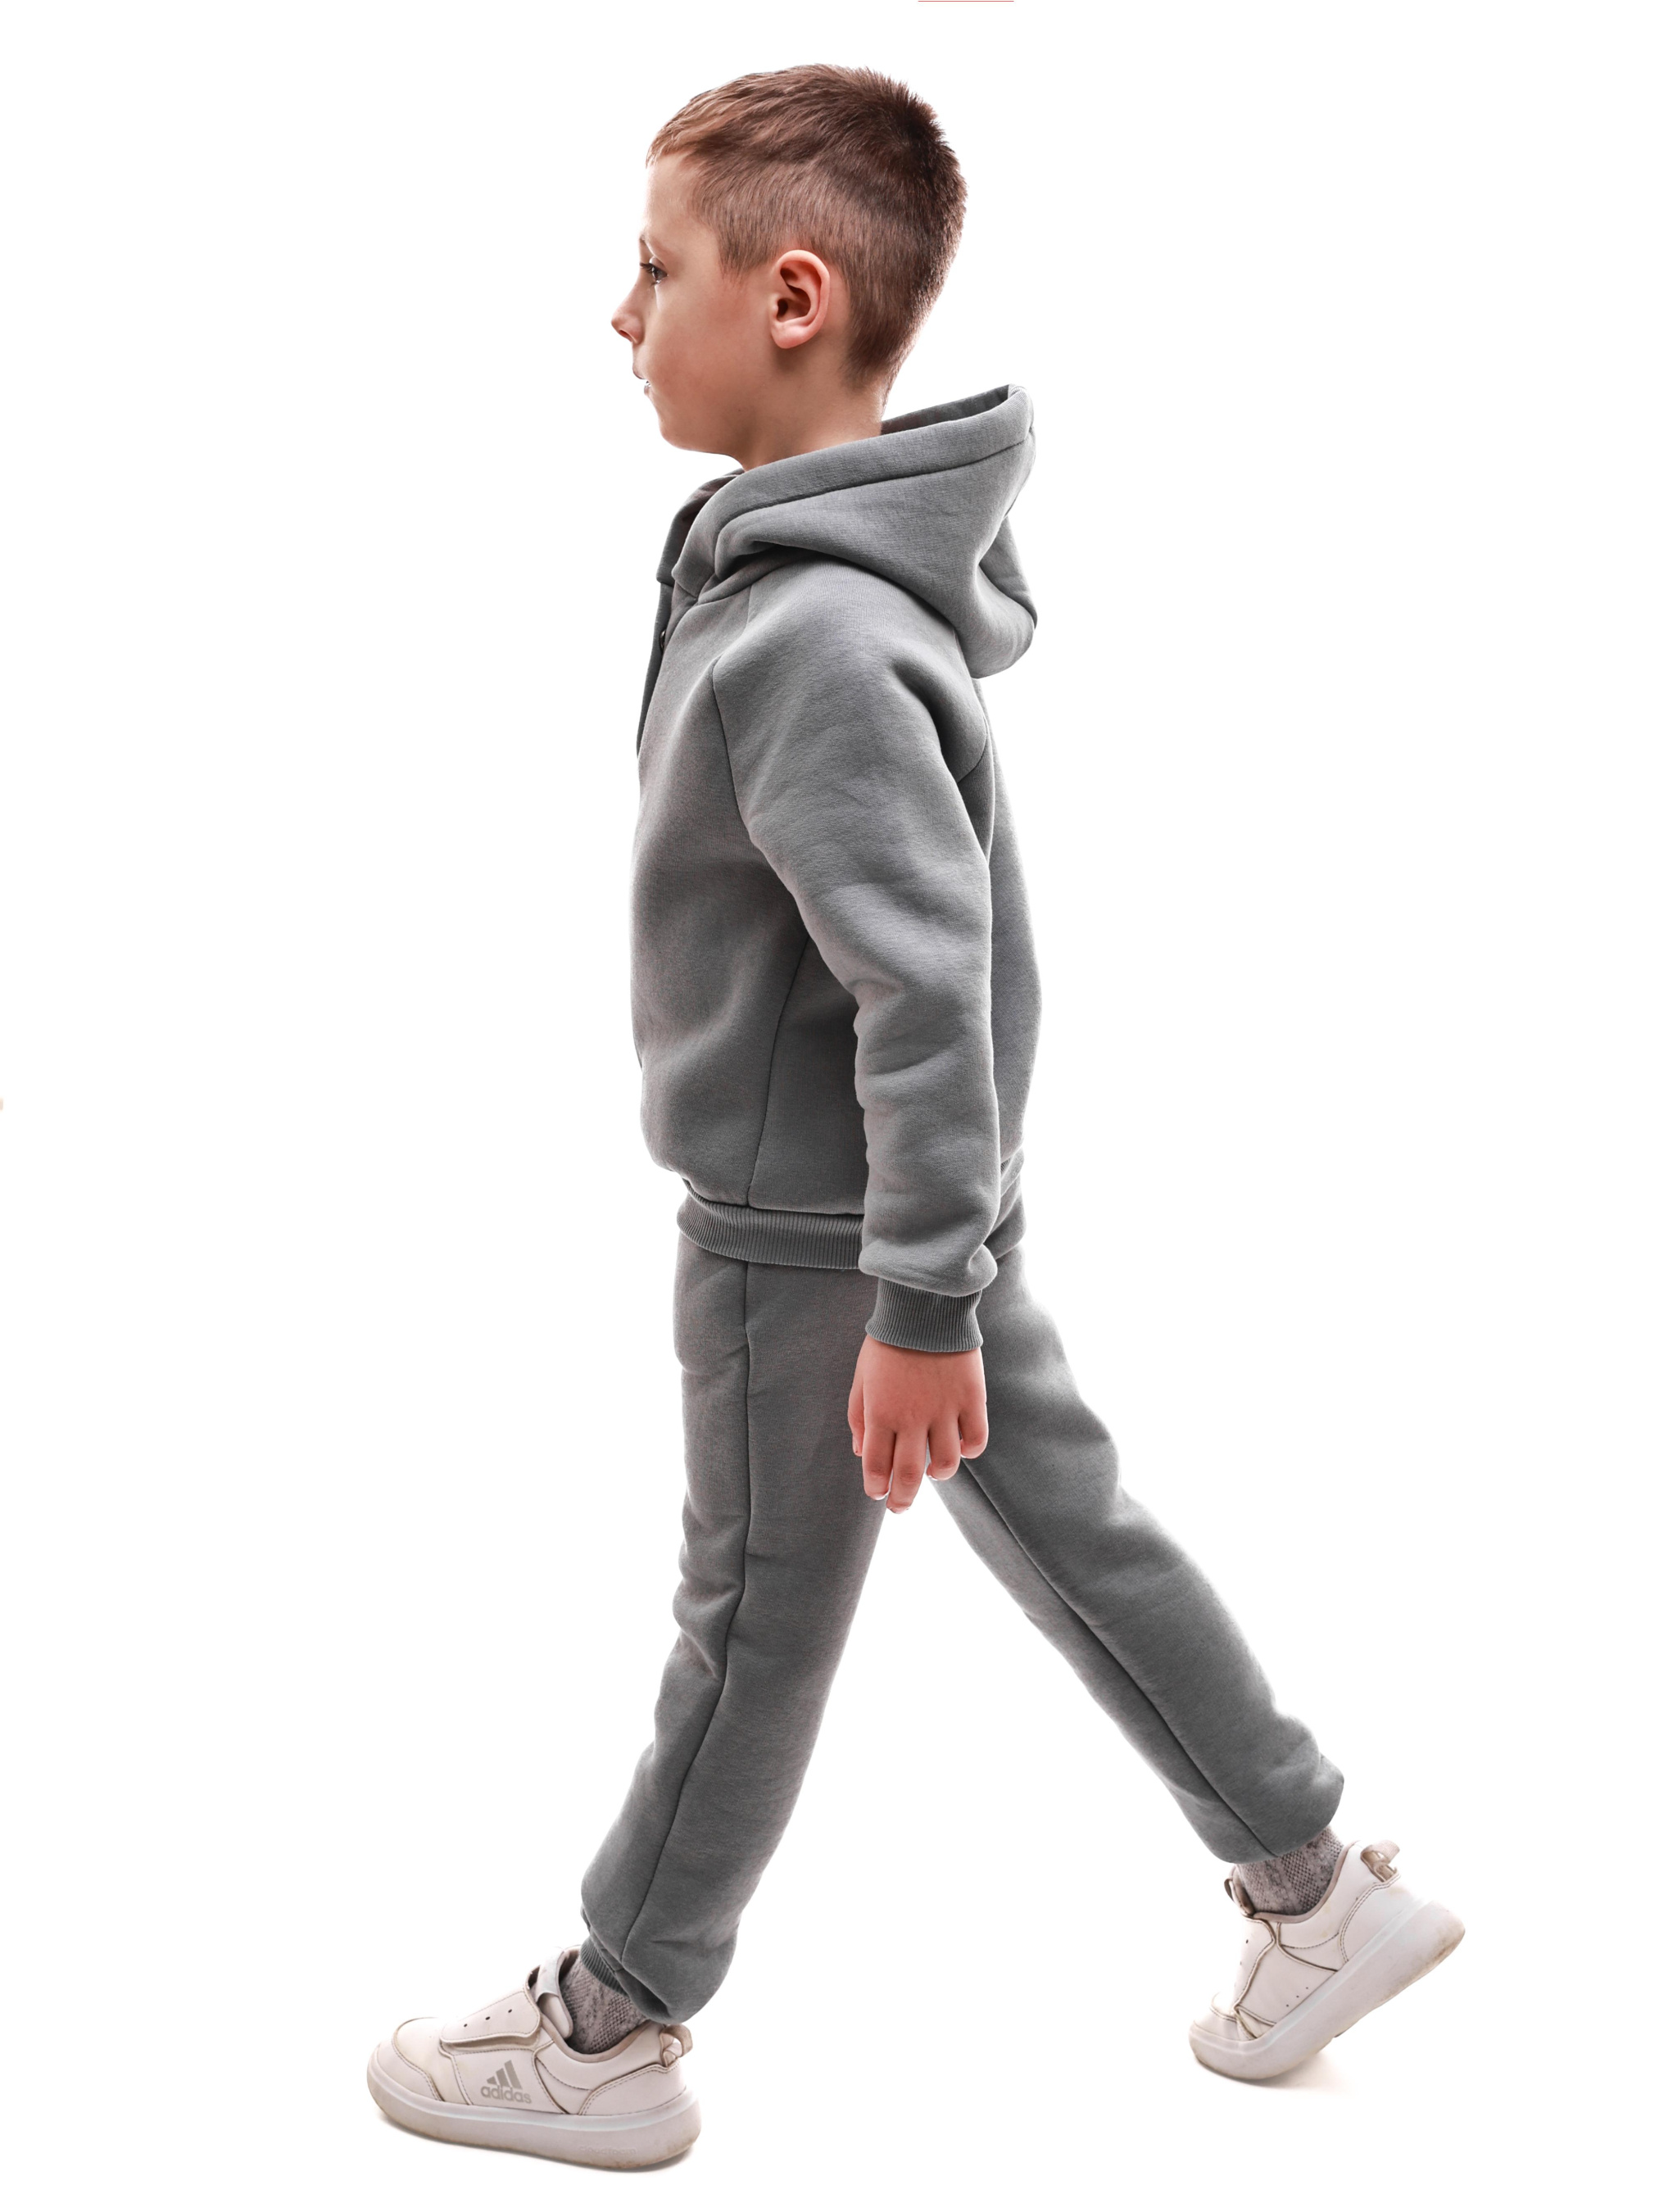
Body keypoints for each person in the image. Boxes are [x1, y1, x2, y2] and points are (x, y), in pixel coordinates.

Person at [366, 64, 1462, 2170]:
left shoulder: (809, 637)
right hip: (897, 1229)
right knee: (1071, 1533)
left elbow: (921, 993)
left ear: (789, 298)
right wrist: (938, 1276)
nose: (619, 313)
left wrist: (915, 1306)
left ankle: (610, 2027)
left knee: (748, 1623)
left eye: (655, 269)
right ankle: (1314, 1891)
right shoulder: (815, 592)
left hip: (818, 1244)